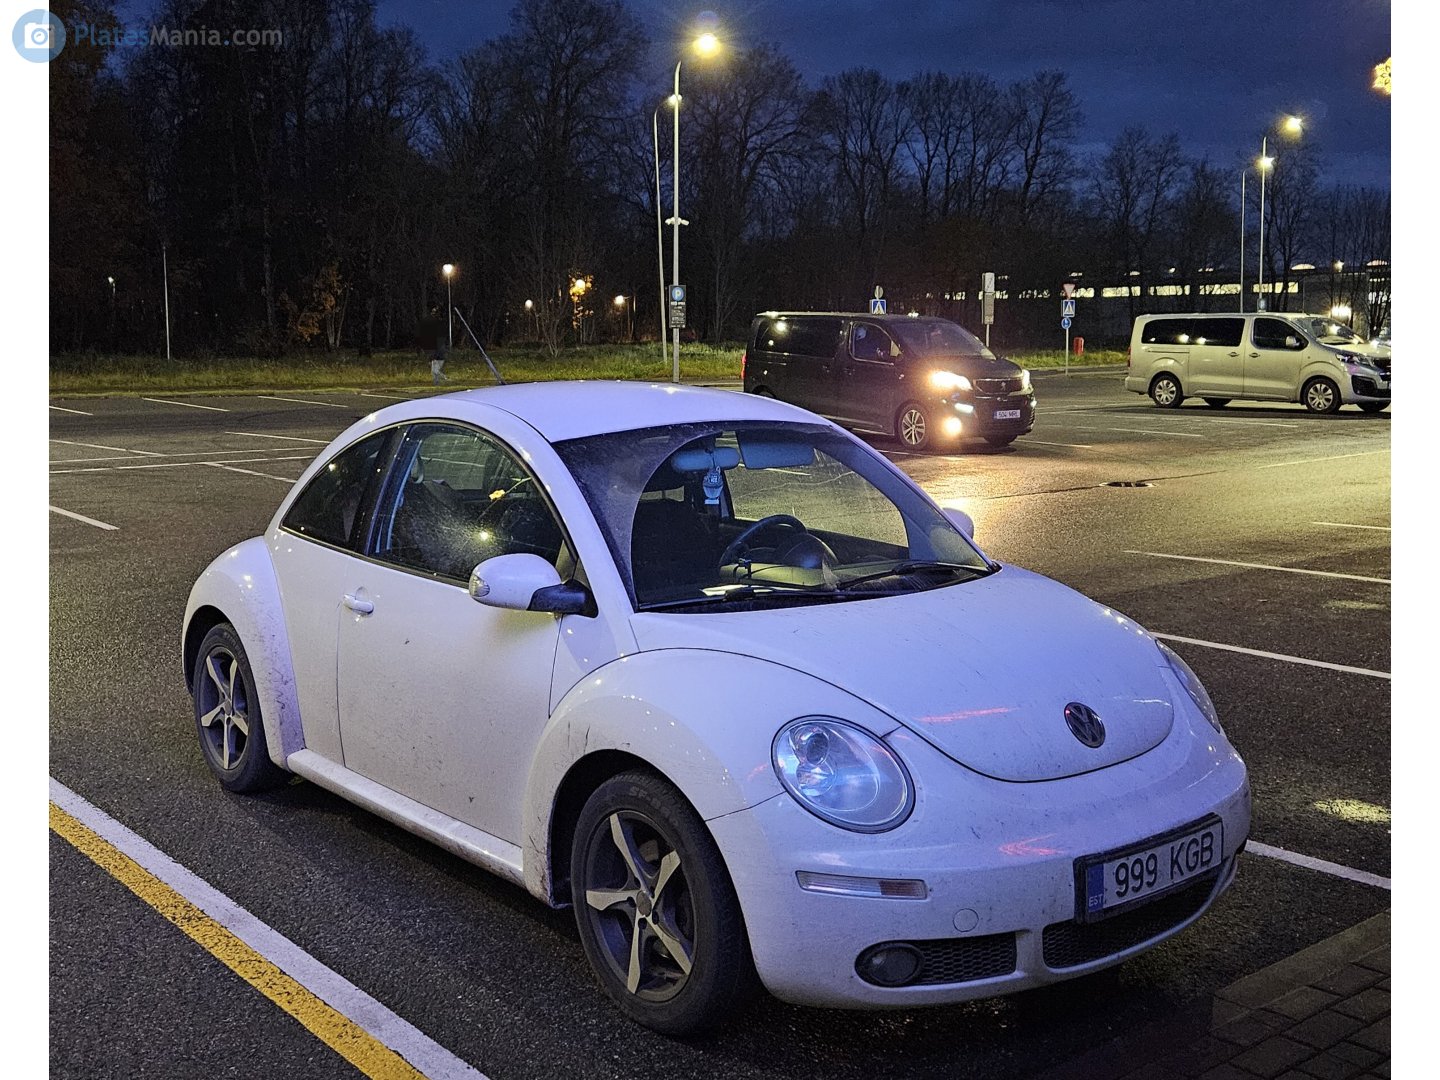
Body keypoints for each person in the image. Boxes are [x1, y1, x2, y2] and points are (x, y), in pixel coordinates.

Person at [419, 305, 449, 384]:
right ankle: (437, 384)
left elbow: (438, 350)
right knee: (433, 372)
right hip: (436, 356)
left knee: (435, 371)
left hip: (439, 356)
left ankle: (446, 379)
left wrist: (433, 358)